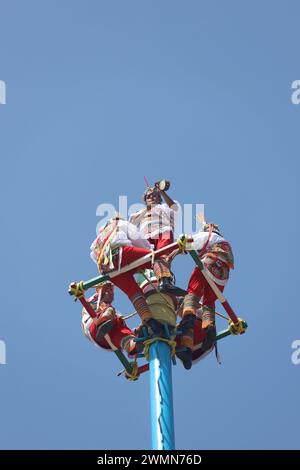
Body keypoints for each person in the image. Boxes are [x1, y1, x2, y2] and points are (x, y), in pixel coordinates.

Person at [90, 216, 178, 335]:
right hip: (120, 253)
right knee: (155, 257)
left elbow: (94, 257)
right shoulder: (120, 224)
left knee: (134, 293)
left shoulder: (97, 240)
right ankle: (164, 281)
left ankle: (149, 320)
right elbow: (137, 238)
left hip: (109, 270)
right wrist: (149, 250)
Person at [176, 223, 234, 369]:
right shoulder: (225, 244)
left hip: (211, 262)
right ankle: (209, 326)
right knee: (209, 301)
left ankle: (188, 315)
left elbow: (192, 241)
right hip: (223, 275)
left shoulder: (211, 236)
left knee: (193, 290)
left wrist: (175, 250)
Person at [129, 179, 186, 296]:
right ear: (145, 200)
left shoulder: (165, 207)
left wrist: (162, 192)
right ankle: (160, 282)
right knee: (147, 260)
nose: (152, 197)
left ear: (160, 198)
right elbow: (130, 227)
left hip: (163, 232)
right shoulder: (139, 213)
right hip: (145, 238)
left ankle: (165, 282)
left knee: (162, 256)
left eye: (155, 196)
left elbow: (175, 208)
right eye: (149, 196)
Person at [81, 281, 137, 355]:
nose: (111, 293)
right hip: (94, 326)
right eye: (108, 289)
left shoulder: (114, 311)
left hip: (109, 340)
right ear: (99, 289)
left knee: (123, 332)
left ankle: (131, 345)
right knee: (109, 310)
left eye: (111, 290)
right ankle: (102, 322)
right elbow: (90, 304)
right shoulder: (95, 299)